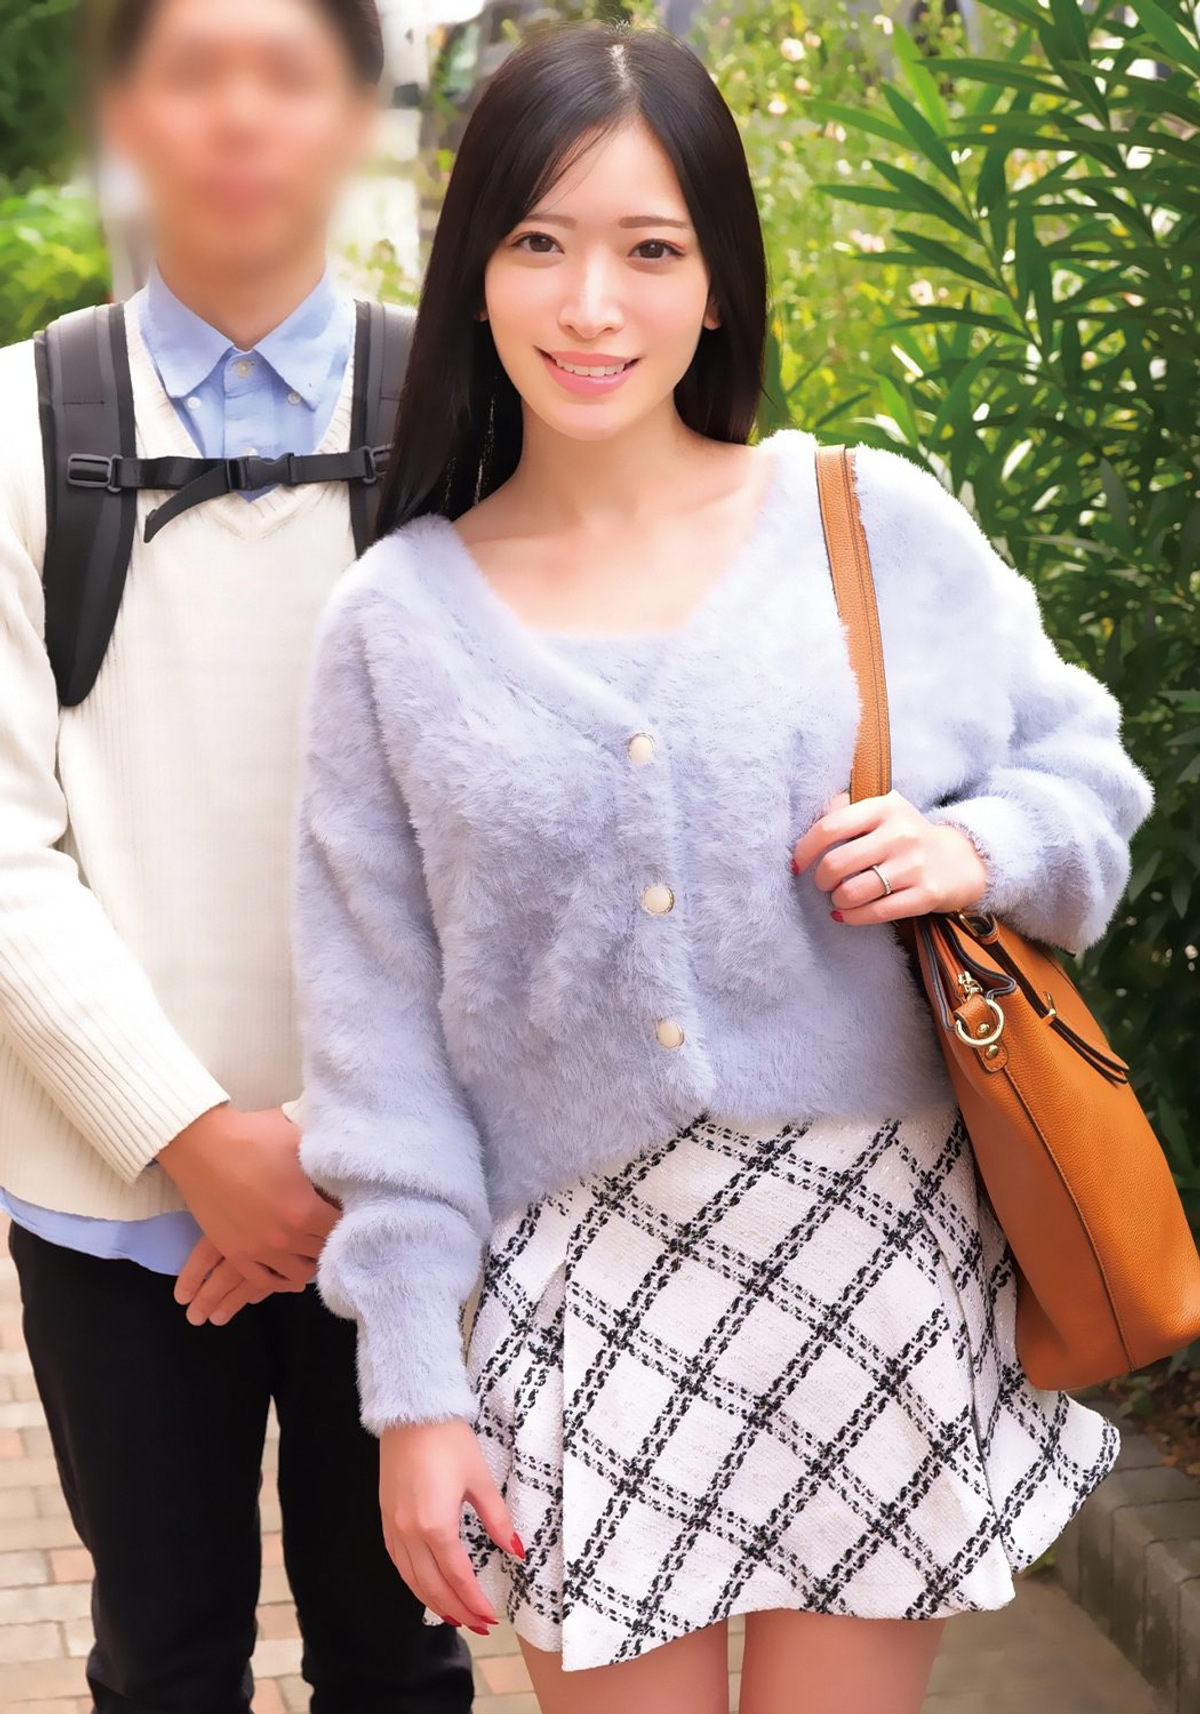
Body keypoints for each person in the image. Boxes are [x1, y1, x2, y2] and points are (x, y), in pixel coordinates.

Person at [282, 20, 1155, 1714]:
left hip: (873, 1262)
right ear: (474, 274)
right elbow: (377, 1049)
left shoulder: (869, 522)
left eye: (650, 249)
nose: (589, 304)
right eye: (540, 242)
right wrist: (414, 1391)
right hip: (576, 1296)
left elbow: (1088, 784)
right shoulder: (392, 623)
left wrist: (976, 844)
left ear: (719, 286)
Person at [0, 2, 474, 1710]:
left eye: (290, 74)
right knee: (163, 1658)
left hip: (406, 1193)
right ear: (126, 117)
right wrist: (197, 1138)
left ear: (355, 115)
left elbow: (513, 824)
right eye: (190, 72)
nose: (241, 116)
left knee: (404, 1657)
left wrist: (343, 1147)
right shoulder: (16, 426)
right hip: (116, 1200)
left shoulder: (467, 413)